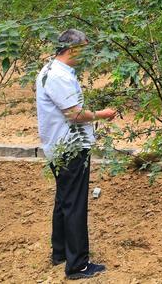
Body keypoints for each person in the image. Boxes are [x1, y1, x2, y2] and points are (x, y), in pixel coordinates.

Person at [35, 29, 117, 280]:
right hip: (70, 149)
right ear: (72, 49)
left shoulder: (52, 70)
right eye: (85, 48)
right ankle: (78, 265)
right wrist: (102, 114)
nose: (88, 54)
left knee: (64, 200)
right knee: (74, 204)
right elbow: (74, 114)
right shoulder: (59, 76)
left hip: (58, 146)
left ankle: (60, 252)